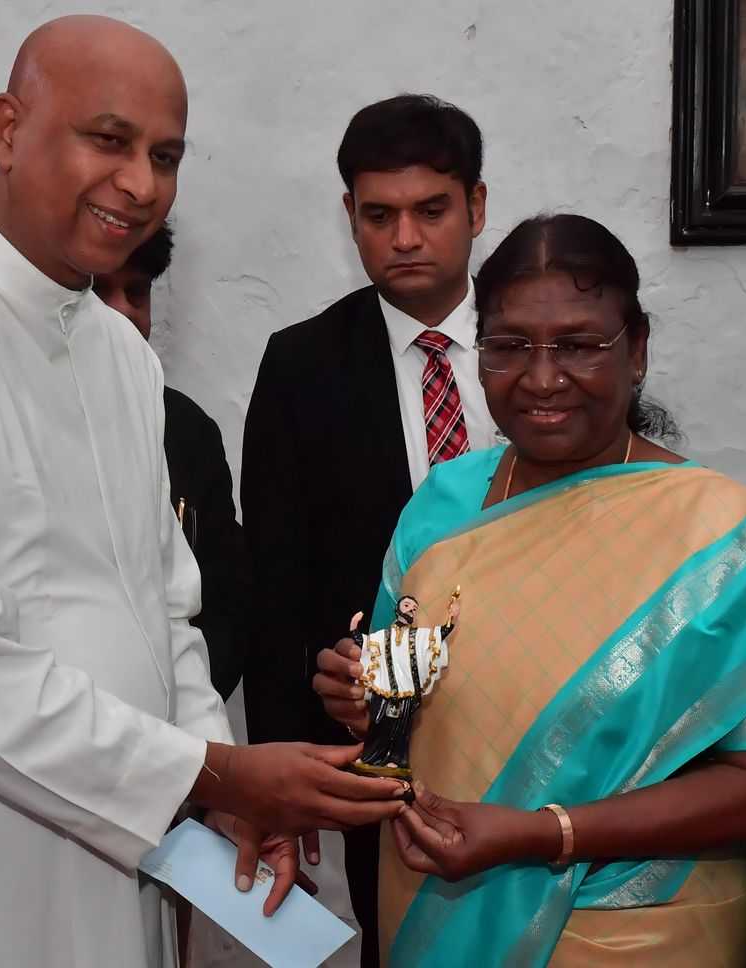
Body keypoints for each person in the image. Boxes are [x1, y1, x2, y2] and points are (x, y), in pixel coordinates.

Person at [0, 18, 406, 968]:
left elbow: (163, 603)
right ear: (7, 130)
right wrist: (212, 769)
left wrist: (214, 783)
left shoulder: (117, 349)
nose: (142, 184)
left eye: (166, 157)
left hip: (120, 835)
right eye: (108, 140)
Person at [314, 214, 746, 967]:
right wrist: (361, 698)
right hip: (436, 906)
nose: (541, 378)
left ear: (638, 351)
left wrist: (548, 833)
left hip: (638, 930)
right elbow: (410, 706)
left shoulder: (727, 545)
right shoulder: (440, 505)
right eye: (509, 346)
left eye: (578, 345)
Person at [241, 93, 495, 965]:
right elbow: (275, 582)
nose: (405, 238)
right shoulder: (302, 364)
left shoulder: (538, 343)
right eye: (379, 216)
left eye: (431, 210)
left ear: (475, 206)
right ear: (349, 214)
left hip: (546, 700)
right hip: (375, 734)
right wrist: (282, 777)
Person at [95, 224, 252, 700]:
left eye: (136, 293)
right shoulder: (19, 413)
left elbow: (227, 599)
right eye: (98, 292)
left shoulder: (187, 429)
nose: (124, 311)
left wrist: (185, 701)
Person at [350, 594, 456, 777]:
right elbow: (363, 642)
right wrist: (354, 625)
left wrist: (452, 618)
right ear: (397, 609)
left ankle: (397, 759)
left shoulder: (419, 636)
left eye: (414, 608)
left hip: (406, 690)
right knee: (377, 723)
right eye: (407, 605)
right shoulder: (382, 635)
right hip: (384, 688)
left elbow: (439, 634)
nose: (411, 610)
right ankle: (370, 756)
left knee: (401, 728)